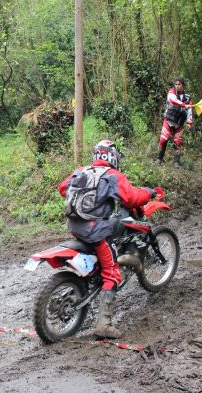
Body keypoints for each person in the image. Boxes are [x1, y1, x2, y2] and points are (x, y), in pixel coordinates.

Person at [59, 140, 154, 339]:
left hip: (75, 227)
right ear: (112, 156)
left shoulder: (81, 171)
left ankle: (92, 277)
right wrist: (149, 192)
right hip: (95, 230)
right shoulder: (112, 175)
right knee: (112, 273)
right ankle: (104, 324)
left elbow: (62, 188)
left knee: (104, 237)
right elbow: (131, 199)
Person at [154, 77, 194, 168]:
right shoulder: (171, 92)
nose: (177, 86)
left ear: (183, 85)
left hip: (179, 122)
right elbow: (172, 100)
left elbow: (190, 110)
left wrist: (189, 122)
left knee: (178, 142)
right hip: (169, 120)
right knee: (164, 139)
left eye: (179, 84)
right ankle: (159, 159)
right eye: (176, 84)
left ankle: (176, 162)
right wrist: (183, 104)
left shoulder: (188, 97)